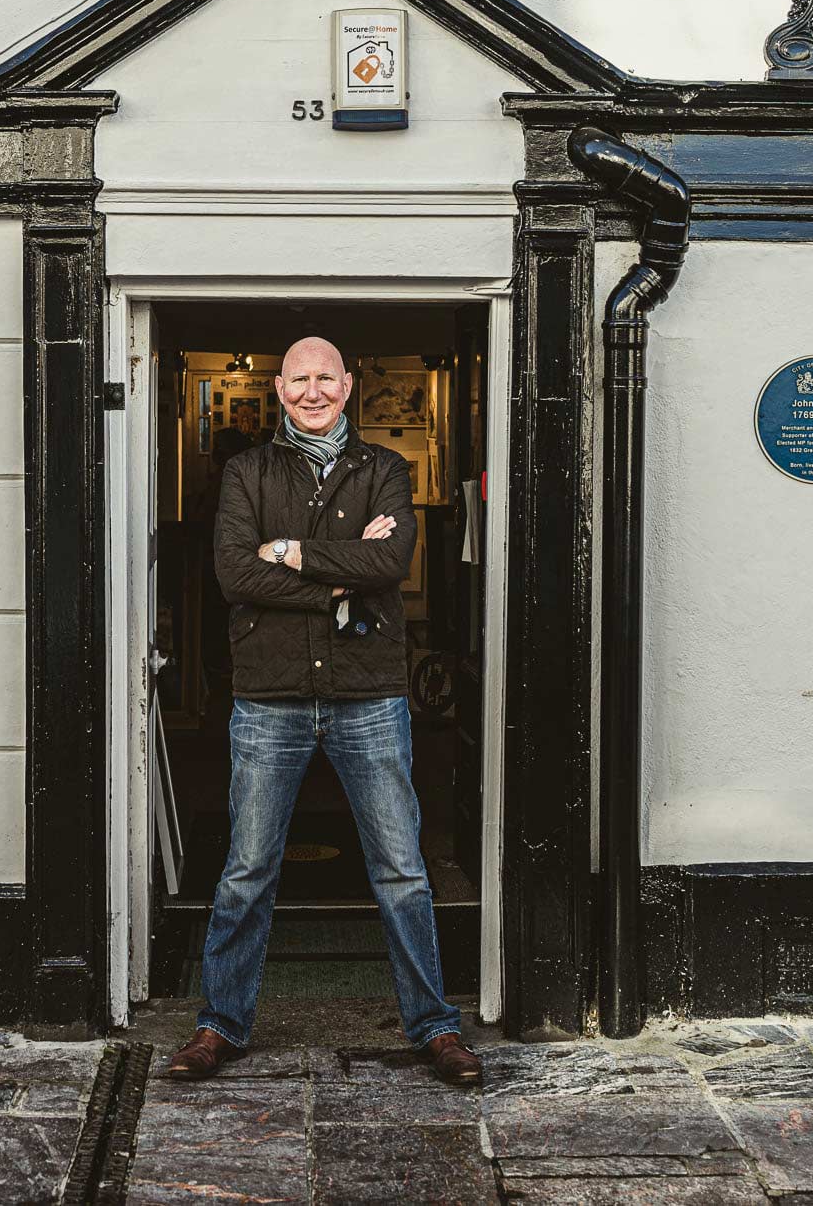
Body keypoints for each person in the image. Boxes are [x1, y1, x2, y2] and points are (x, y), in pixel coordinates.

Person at [164, 336, 481, 1087]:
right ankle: (221, 1022)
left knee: (401, 866)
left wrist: (292, 552)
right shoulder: (245, 471)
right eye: (299, 378)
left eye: (326, 378)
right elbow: (234, 571)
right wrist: (340, 576)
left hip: (368, 696)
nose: (313, 391)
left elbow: (390, 564)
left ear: (348, 384)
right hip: (269, 697)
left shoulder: (385, 471)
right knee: (247, 867)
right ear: (279, 388)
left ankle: (434, 1026)